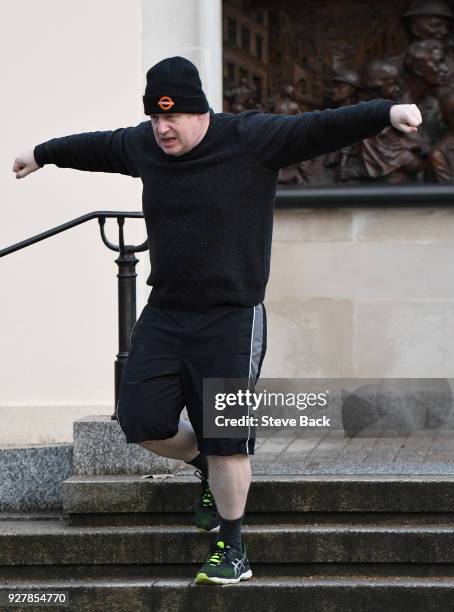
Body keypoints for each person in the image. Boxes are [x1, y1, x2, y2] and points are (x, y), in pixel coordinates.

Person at [12, 56, 422, 585]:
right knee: (142, 423)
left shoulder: (252, 138)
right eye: (155, 119)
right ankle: (204, 465)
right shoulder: (144, 145)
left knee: (226, 436)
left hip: (231, 318)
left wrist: (387, 111)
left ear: (199, 112)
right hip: (165, 313)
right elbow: (96, 145)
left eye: (173, 118)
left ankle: (233, 548)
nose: (162, 129)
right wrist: (41, 154)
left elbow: (320, 126)